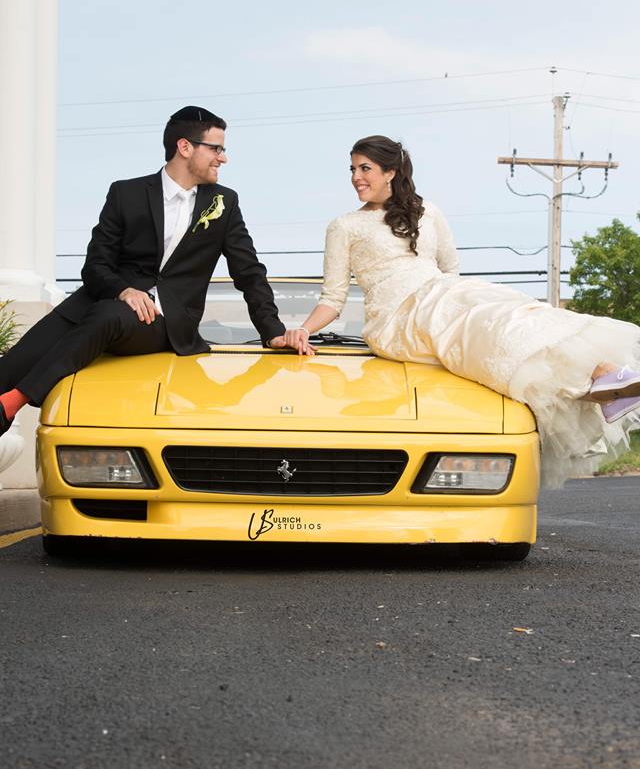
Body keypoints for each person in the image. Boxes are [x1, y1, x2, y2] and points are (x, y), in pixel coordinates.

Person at [272, 134, 640, 487]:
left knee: (511, 314)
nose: (356, 177)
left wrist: (450, 297)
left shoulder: (428, 212)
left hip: (440, 296)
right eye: (352, 169)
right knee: (482, 323)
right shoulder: (345, 226)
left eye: (364, 168)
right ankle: (586, 383)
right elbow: (333, 298)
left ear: (390, 172)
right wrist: (303, 329)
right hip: (395, 319)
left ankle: (596, 379)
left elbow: (450, 270)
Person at [0, 106, 286, 436]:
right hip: (94, 305)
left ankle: (14, 401)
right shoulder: (126, 193)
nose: (223, 158)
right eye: (216, 148)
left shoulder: (225, 202)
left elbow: (249, 272)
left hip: (163, 321)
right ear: (185, 147)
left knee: (109, 315)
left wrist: (272, 331)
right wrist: (123, 290)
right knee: (8, 368)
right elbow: (95, 265)